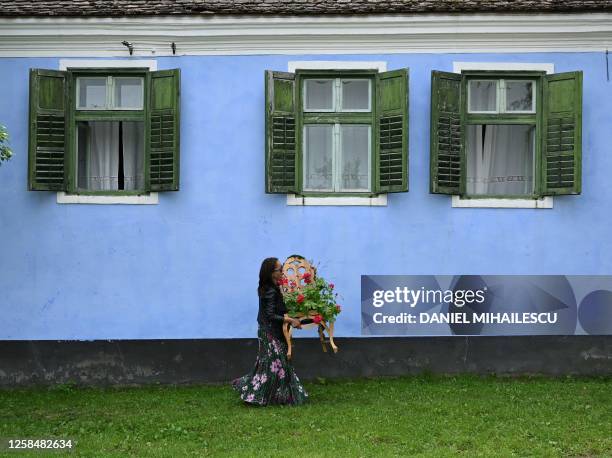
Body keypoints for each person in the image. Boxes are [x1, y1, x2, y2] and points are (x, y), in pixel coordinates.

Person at [231, 257, 309, 406]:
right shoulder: (270, 291)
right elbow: (270, 315)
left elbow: (279, 310)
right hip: (269, 332)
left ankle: (275, 396)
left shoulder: (272, 288)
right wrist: (291, 320)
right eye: (279, 269)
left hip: (270, 331)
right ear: (271, 273)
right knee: (276, 365)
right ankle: (264, 395)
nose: (282, 272)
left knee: (272, 366)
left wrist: (294, 318)